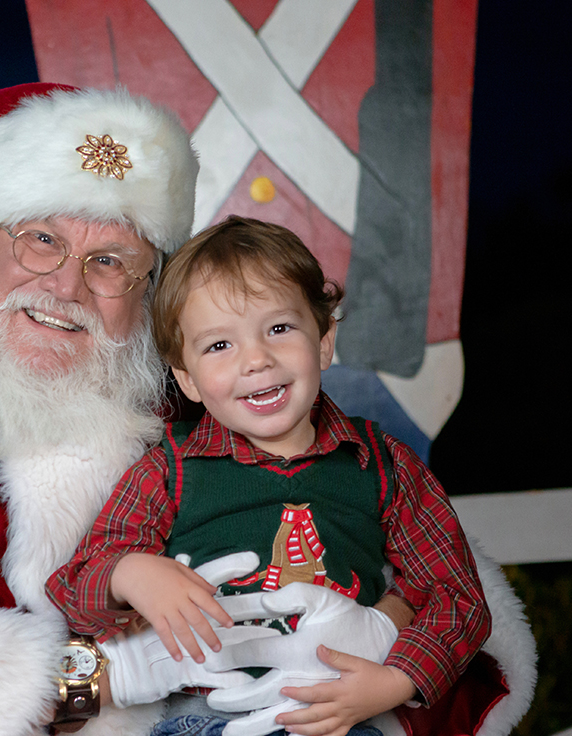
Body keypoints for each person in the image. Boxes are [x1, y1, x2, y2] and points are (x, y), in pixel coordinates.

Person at [0, 84, 535, 736]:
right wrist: (110, 679)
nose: (67, 286)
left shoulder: (187, 391)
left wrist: (380, 636)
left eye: (111, 260)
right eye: (39, 239)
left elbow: (392, 534)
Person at [46, 217, 491, 736]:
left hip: (334, 717)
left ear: (324, 340)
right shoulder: (167, 468)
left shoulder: (383, 463)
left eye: (279, 329)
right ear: (187, 379)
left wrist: (396, 680)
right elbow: (75, 585)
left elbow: (455, 595)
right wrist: (129, 574)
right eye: (219, 345)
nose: (256, 359)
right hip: (201, 716)